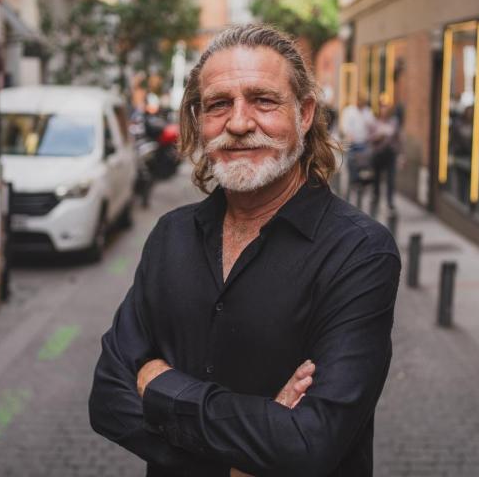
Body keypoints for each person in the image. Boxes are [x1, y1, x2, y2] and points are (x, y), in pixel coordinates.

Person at [89, 25, 401, 477]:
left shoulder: (359, 253)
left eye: (264, 100)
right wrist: (237, 464)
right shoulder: (169, 237)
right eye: (218, 104)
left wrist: (158, 385)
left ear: (305, 113)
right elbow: (107, 399)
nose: (238, 123)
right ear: (198, 120)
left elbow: (310, 442)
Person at [338, 97, 375, 206]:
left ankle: (360, 194)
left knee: (363, 172)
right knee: (350, 170)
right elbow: (344, 126)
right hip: (352, 146)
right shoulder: (350, 111)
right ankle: (348, 199)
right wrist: (349, 135)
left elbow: (371, 127)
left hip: (363, 145)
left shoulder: (368, 112)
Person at [369, 103, 402, 214]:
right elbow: (370, 138)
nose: (384, 112)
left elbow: (399, 139)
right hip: (378, 154)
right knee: (376, 178)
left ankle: (390, 202)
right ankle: (376, 197)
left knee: (390, 179)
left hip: (390, 154)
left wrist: (401, 155)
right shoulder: (374, 122)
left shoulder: (394, 123)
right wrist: (379, 136)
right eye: (382, 109)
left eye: (386, 109)